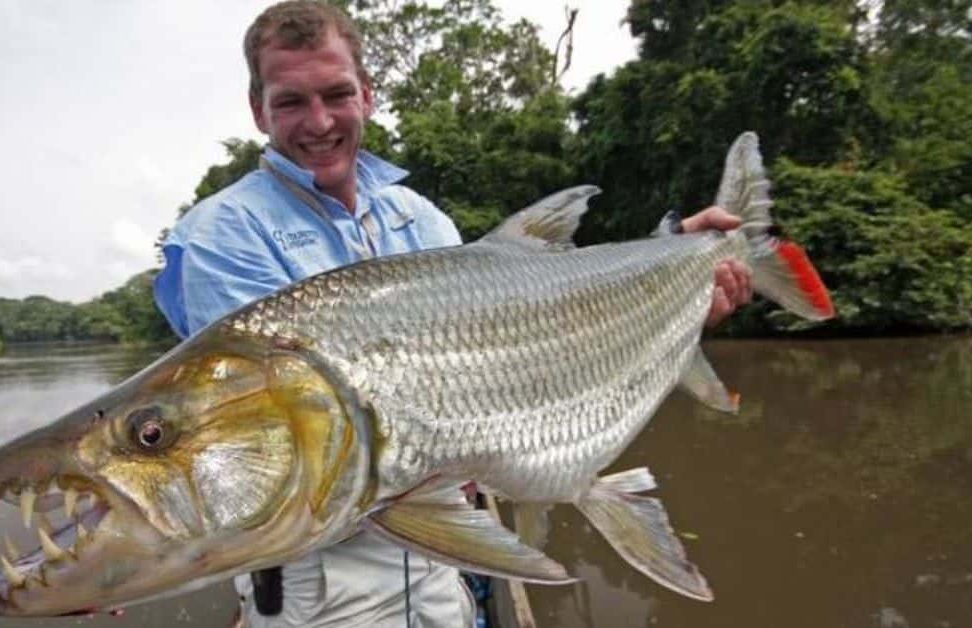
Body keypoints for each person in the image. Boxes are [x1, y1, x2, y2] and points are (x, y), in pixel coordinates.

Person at [153, 2, 751, 626]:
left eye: (336, 94)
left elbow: (527, 333)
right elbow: (262, 450)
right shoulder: (221, 237)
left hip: (441, 568)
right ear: (259, 111)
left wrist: (671, 274)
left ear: (367, 94)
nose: (320, 121)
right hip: (320, 588)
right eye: (291, 102)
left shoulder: (420, 217)